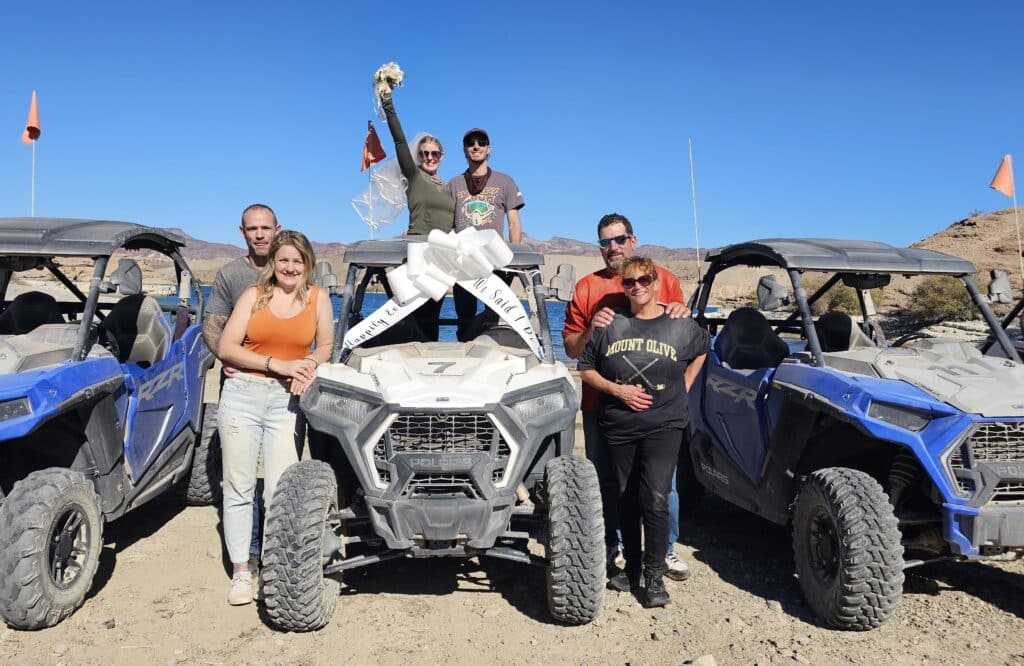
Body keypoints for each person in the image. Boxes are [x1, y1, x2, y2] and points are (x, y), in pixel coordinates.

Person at [562, 213, 693, 581]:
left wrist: (680, 390)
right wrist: (592, 328)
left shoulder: (664, 279)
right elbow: (572, 350)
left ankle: (665, 550)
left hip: (656, 408)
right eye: (605, 242)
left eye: (619, 240)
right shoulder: (588, 288)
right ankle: (614, 546)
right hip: (601, 404)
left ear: (633, 241)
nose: (613, 248)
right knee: (608, 480)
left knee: (661, 483)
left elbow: (688, 341)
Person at [578, 256, 709, 608]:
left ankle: (653, 576)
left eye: (644, 280)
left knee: (654, 495)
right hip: (619, 424)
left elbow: (702, 348)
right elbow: (585, 367)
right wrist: (617, 391)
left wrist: (684, 383)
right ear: (623, 286)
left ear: (655, 282)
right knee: (624, 494)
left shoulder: (678, 323)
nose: (637, 286)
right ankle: (632, 567)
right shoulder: (611, 324)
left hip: (664, 424)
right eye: (630, 282)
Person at [215, 230, 334, 605]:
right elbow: (227, 346)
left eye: (298, 261)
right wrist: (275, 364)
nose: (290, 267)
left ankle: (275, 567)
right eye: (283, 260)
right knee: (238, 485)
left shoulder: (319, 299)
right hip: (243, 396)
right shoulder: (254, 296)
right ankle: (241, 571)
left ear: (308, 264)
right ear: (274, 263)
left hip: (286, 403)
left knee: (280, 489)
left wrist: (308, 366)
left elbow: (327, 345)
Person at [202, 203, 281, 592]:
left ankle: (278, 554)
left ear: (277, 228)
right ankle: (246, 560)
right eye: (253, 229)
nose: (260, 234)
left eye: (266, 227)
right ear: (243, 232)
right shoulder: (231, 275)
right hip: (241, 385)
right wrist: (223, 355)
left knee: (282, 476)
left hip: (283, 390)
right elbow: (213, 322)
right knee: (240, 481)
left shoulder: (292, 267)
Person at [377, 83, 455, 340]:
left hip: (442, 255)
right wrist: (388, 102)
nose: (429, 157)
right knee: (415, 313)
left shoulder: (448, 186)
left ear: (442, 156)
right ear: (418, 157)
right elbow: (399, 139)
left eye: (434, 153)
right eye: (424, 154)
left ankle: (428, 362)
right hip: (419, 251)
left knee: (433, 314)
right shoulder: (414, 176)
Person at [448, 128, 525, 341]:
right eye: (470, 143)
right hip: (464, 262)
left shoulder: (505, 182)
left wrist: (512, 262)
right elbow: (446, 223)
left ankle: (488, 352)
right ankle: (465, 349)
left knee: (492, 315)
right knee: (464, 317)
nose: (476, 146)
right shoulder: (454, 184)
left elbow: (514, 222)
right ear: (464, 150)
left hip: (495, 261)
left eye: (481, 142)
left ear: (488, 149)